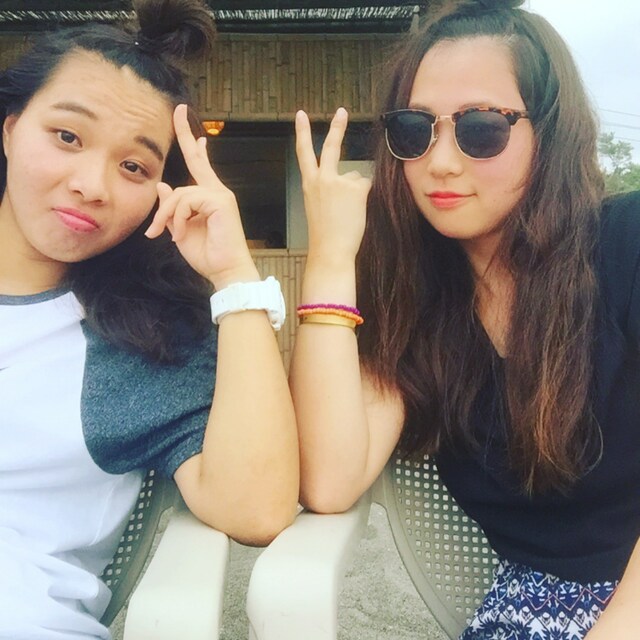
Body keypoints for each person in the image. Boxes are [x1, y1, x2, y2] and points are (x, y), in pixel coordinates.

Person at [291, 0, 640, 637]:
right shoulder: (418, 302)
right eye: (414, 129)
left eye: (481, 128)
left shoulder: (627, 242)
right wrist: (332, 259)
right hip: (535, 607)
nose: (441, 161)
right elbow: (331, 481)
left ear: (551, 131)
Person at [0, 0, 299, 637]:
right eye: (67, 137)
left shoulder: (138, 341)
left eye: (134, 166)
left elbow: (257, 509)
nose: (92, 184)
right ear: (11, 128)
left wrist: (234, 275)